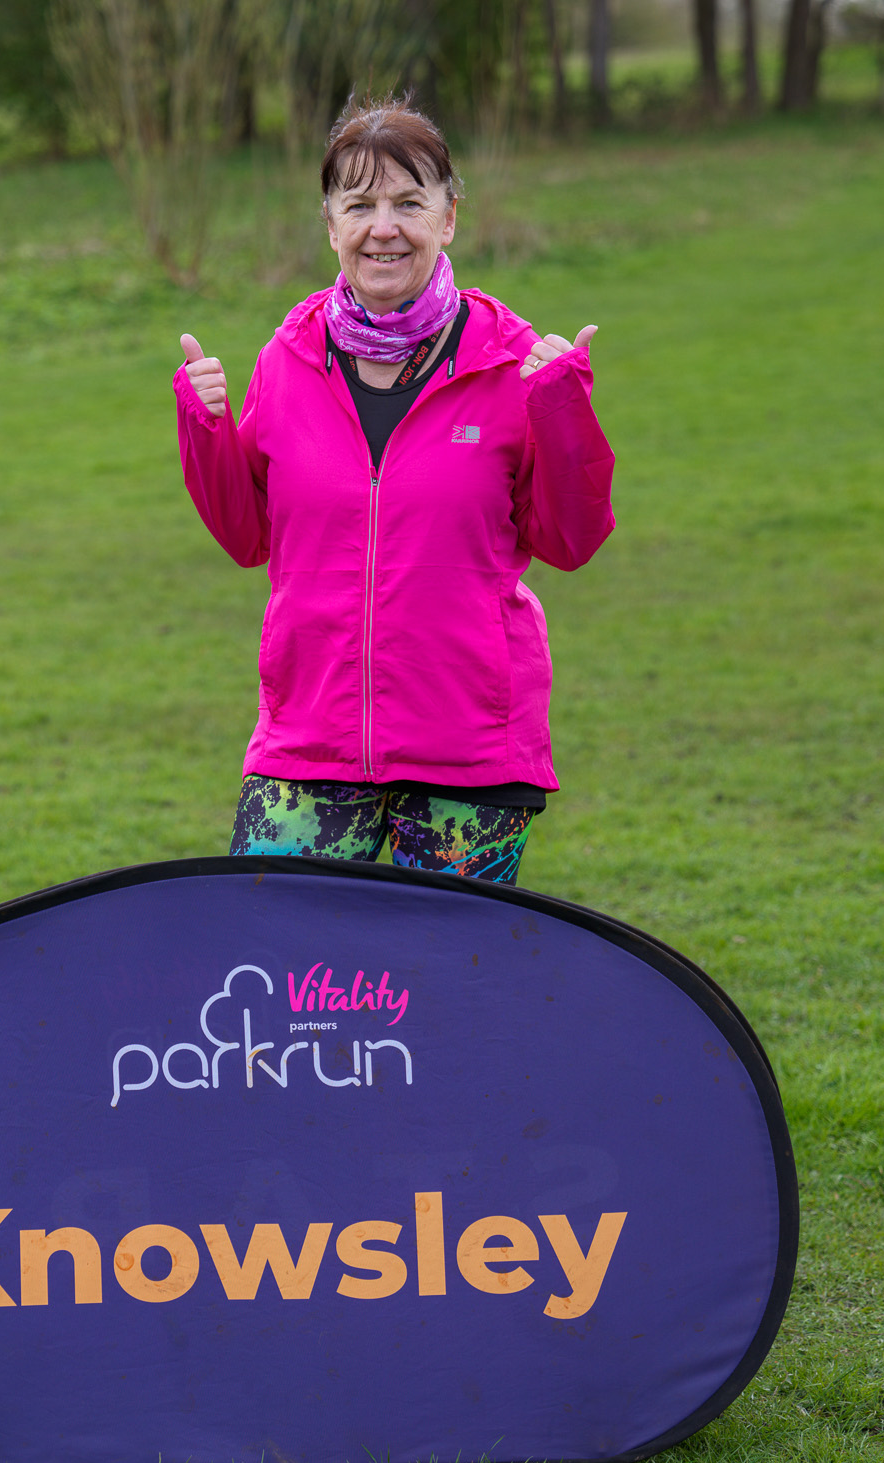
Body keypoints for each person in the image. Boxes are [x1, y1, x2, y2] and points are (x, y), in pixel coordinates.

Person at [174, 96, 616, 885]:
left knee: (443, 990)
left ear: (448, 218)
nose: (385, 227)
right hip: (308, 739)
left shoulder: (512, 361)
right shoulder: (289, 357)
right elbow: (249, 538)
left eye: (410, 203)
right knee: (278, 962)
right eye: (361, 204)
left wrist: (562, 408)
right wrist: (203, 426)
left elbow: (570, 542)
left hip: (471, 750)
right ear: (331, 224)